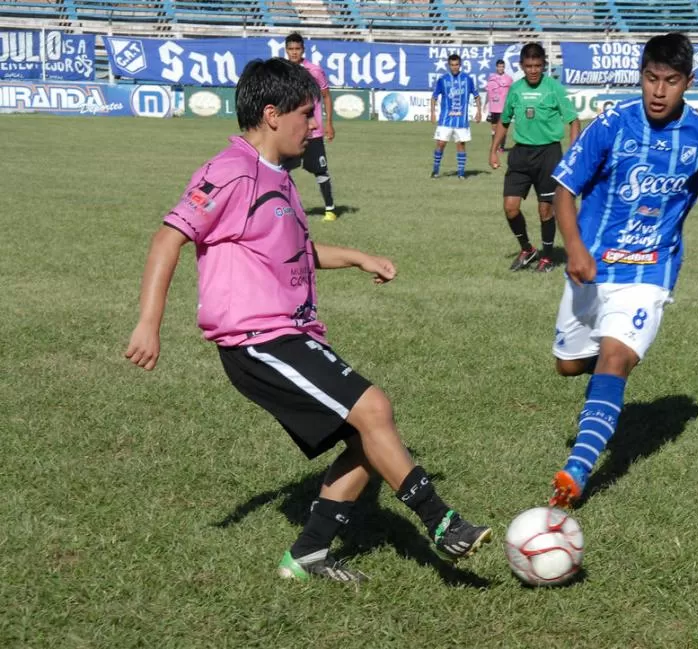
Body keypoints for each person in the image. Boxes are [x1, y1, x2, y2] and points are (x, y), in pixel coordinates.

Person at [124, 58, 492, 583]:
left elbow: (298, 249)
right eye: (306, 114)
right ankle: (440, 519)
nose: (314, 127)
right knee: (374, 407)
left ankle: (308, 554)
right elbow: (168, 237)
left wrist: (360, 257)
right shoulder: (230, 171)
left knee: (369, 439)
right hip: (257, 340)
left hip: (287, 335)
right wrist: (148, 324)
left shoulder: (280, 177)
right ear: (272, 115)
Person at [545, 33, 698, 508]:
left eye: (672, 81)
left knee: (616, 358)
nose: (659, 91)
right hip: (591, 270)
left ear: (688, 82)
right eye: (651, 79)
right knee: (568, 365)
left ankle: (577, 472)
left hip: (651, 273)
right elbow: (563, 188)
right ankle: (599, 367)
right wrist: (575, 247)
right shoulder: (612, 124)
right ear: (641, 75)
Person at [489, 43, 580, 273]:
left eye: (537, 65)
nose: (533, 70)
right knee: (510, 207)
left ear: (544, 66)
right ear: (521, 66)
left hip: (549, 153)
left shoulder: (554, 88)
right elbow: (505, 120)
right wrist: (494, 149)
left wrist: (574, 150)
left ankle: (547, 257)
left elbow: (573, 119)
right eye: (528, 66)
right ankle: (527, 249)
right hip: (520, 154)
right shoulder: (516, 89)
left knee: (545, 210)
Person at [283, 32, 338, 222]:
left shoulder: (314, 71)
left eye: (297, 49)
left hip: (313, 132)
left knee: (320, 170)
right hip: (291, 132)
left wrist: (329, 123)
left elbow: (326, 96)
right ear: (286, 50)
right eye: (291, 49)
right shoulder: (283, 72)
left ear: (303, 50)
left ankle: (330, 209)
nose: (294, 52)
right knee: (281, 169)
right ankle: (287, 208)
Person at [430, 54, 482, 179]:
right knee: (441, 143)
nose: (454, 67)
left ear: (460, 65)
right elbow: (434, 97)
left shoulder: (467, 79)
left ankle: (461, 173)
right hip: (445, 120)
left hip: (461, 121)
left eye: (456, 65)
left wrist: (479, 111)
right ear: (449, 65)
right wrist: (432, 112)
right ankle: (435, 170)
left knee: (461, 144)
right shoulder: (443, 79)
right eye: (452, 65)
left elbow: (476, 96)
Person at [485, 59, 513, 151]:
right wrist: (485, 103)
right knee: (494, 129)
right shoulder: (491, 78)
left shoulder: (509, 79)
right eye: (499, 66)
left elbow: (512, 93)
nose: (501, 68)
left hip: (504, 108)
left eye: (502, 66)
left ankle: (501, 147)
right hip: (494, 108)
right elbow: (488, 92)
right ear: (496, 67)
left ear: (504, 67)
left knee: (503, 128)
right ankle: (495, 146)